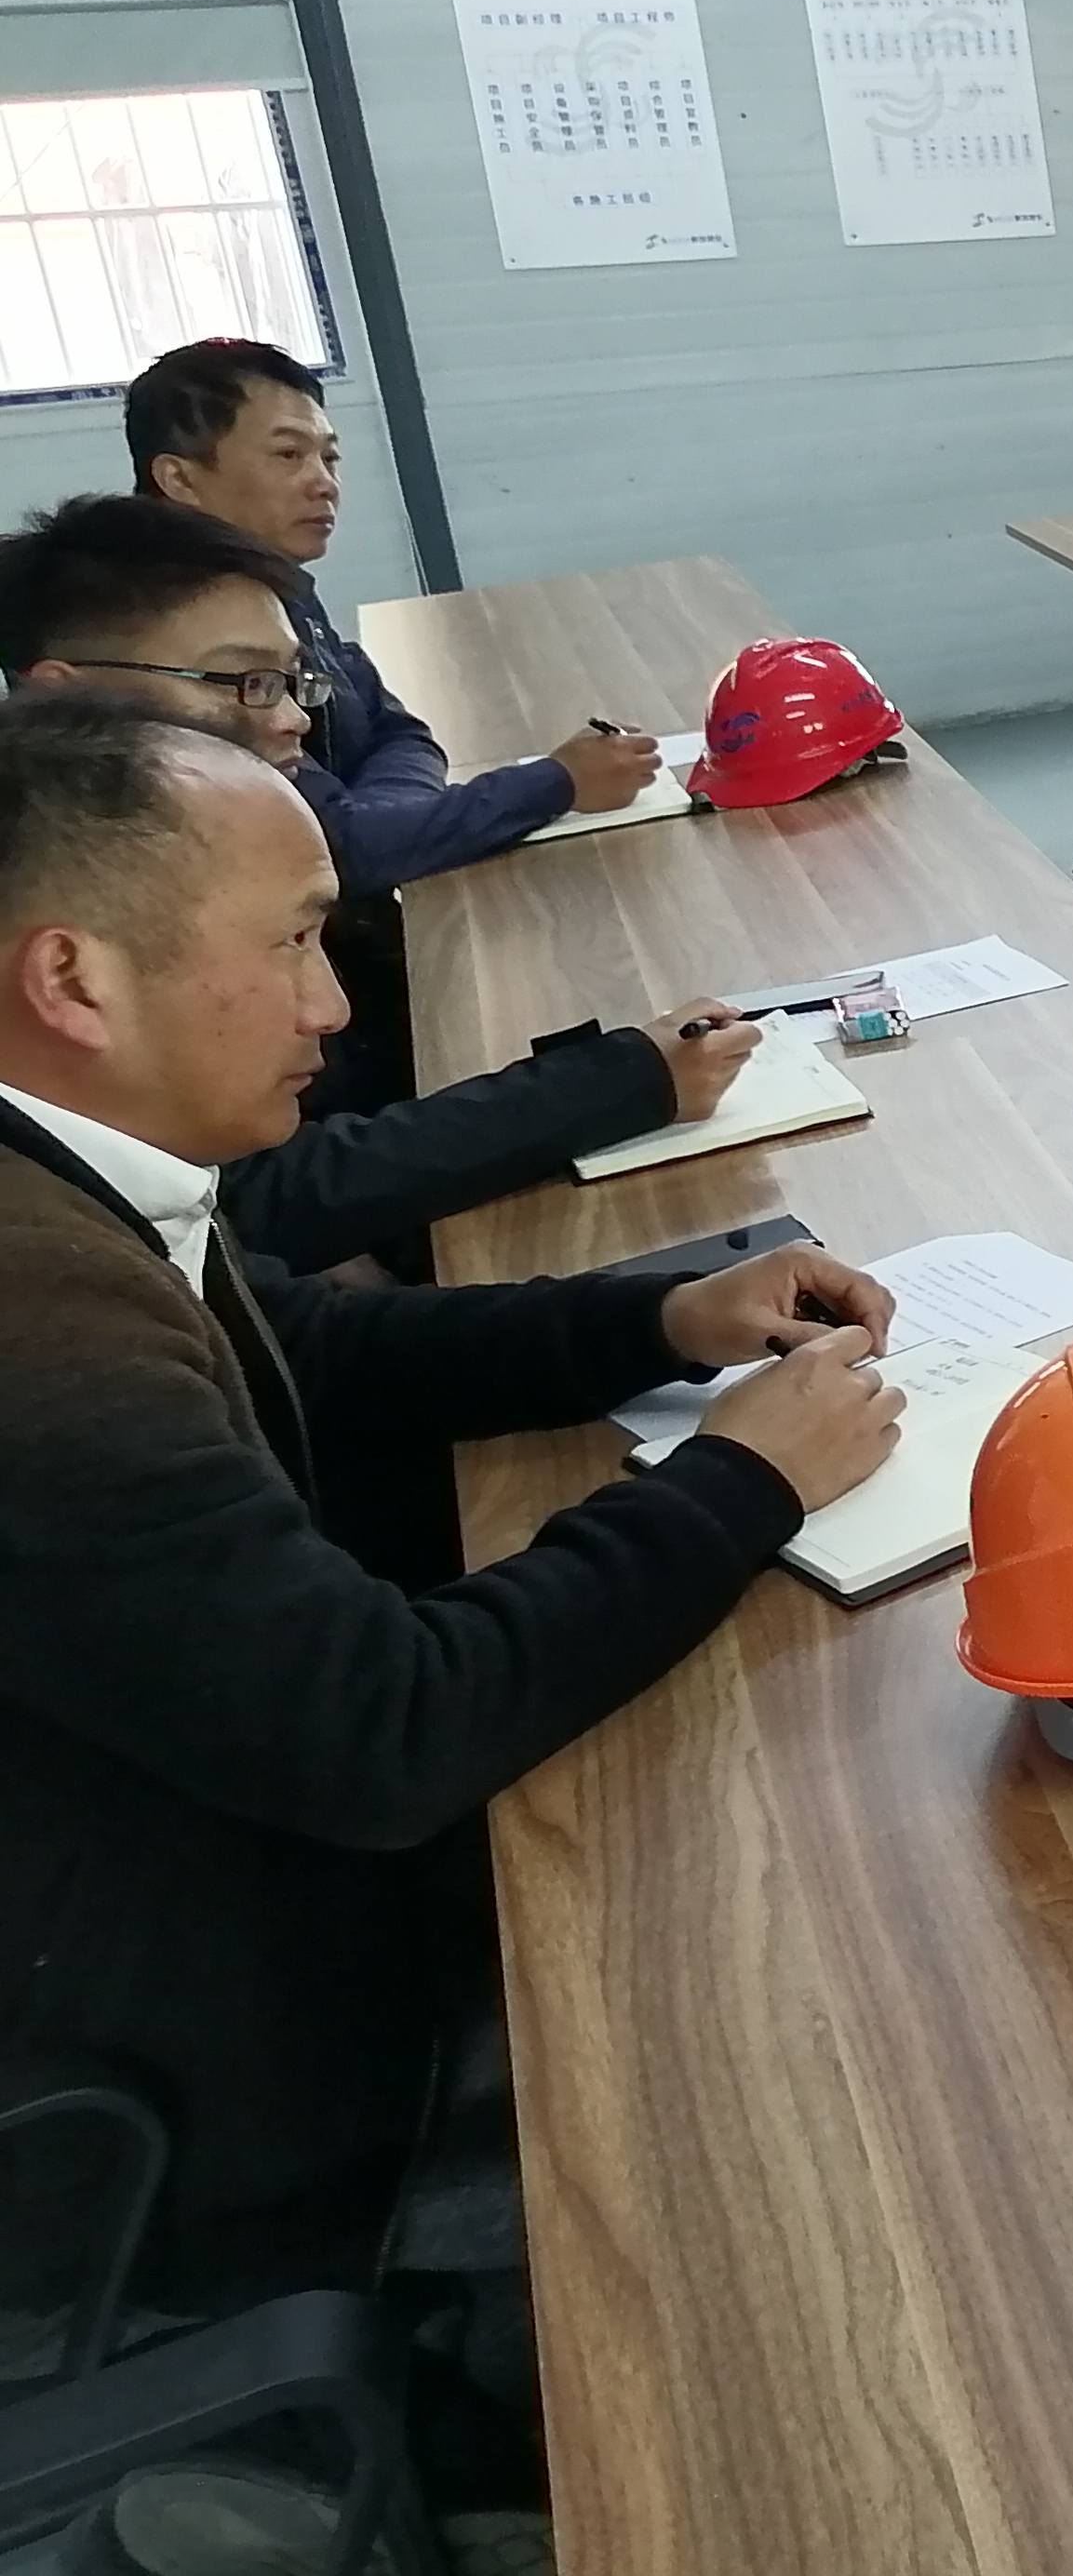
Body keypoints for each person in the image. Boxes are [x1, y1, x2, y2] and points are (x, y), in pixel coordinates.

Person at [0, 690, 902, 2310]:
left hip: (182, 1873)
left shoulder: (65, 1176)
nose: (331, 1005)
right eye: (291, 943)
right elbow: (387, 1730)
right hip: (176, 2104)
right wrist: (743, 1478)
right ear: (72, 980)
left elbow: (311, 1341)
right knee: (800, 1967)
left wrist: (654, 1321)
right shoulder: (32, 1322)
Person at [0, 495, 754, 1269]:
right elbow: (264, 1198)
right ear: (62, 694)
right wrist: (619, 1083)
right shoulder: (62, 895)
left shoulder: (228, 798)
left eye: (291, 681)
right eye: (243, 681)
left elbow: (397, 742)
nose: (292, 718)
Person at [126, 338, 658, 895]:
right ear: (180, 479)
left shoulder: (272, 584)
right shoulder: (171, 636)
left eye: (330, 458)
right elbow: (333, 850)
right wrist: (558, 783)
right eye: (289, 455)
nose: (324, 483)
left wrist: (388, 824)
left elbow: (399, 731)